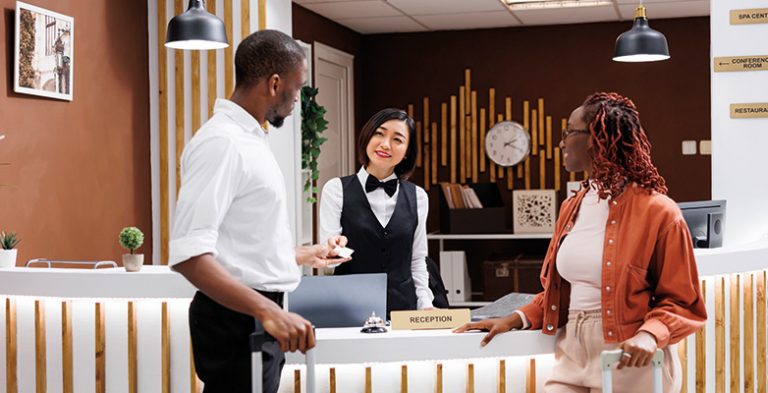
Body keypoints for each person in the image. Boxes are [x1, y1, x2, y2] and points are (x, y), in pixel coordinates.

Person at [454, 92, 707, 392]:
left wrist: (649, 335)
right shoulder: (571, 207)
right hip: (572, 352)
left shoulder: (659, 211)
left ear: (597, 139)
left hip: (630, 358)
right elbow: (561, 292)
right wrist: (515, 318)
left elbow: (683, 301)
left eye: (569, 132)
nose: (561, 142)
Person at [169, 30, 349, 393]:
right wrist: (268, 312)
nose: (297, 99)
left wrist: (299, 255)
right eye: (297, 89)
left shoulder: (249, 139)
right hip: (239, 320)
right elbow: (189, 256)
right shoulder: (222, 143)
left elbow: (238, 245)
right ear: (274, 83)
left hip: (254, 316)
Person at [319, 108, 436, 314]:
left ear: (407, 150)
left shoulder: (418, 196)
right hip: (349, 308)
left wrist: (425, 304)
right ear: (367, 137)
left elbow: (417, 259)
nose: (385, 144)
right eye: (379, 134)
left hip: (403, 309)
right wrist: (331, 251)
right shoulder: (336, 189)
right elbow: (328, 257)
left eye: (397, 139)